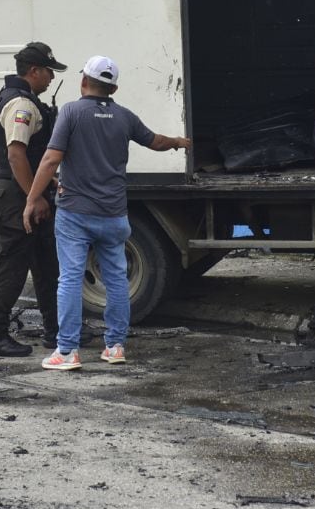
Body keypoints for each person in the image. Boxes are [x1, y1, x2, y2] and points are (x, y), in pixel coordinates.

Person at [23, 55, 190, 371]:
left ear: (83, 81)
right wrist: (179, 143)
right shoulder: (124, 117)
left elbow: (49, 160)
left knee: (70, 278)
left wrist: (32, 199)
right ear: (114, 87)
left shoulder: (71, 112)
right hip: (114, 215)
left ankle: (67, 352)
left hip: (75, 213)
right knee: (116, 279)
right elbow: (155, 142)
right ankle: (115, 347)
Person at [0, 42, 67, 358]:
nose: (50, 79)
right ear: (34, 71)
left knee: (47, 265)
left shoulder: (22, 100)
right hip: (19, 198)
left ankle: (56, 330)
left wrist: (48, 182)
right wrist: (35, 196)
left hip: (25, 193)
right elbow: (16, 155)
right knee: (12, 268)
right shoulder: (22, 105)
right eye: (48, 72)